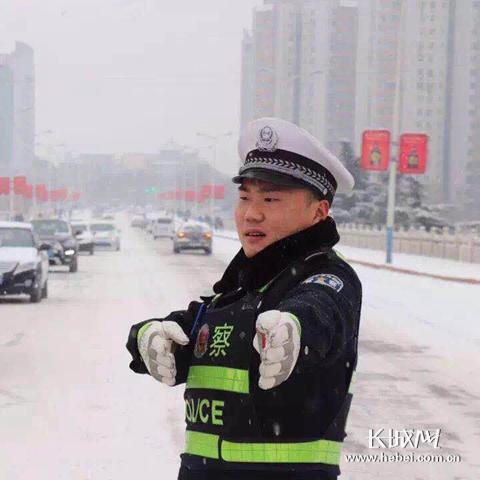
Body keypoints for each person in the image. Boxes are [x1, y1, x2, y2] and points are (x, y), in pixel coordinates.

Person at [126, 117, 362, 480]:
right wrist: (148, 337)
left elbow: (319, 310)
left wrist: (295, 330)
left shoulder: (328, 277)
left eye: (271, 199)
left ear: (319, 212)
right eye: (245, 198)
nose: (252, 213)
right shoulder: (237, 289)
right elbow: (189, 330)